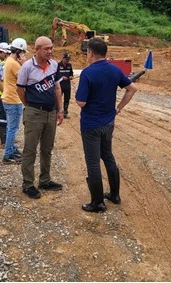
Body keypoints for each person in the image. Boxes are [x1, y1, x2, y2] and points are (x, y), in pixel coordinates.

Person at [75, 38, 138, 212]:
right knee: (108, 156)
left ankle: (97, 202)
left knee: (93, 162)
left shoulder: (87, 73)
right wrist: (119, 108)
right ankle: (115, 195)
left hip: (90, 124)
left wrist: (76, 93)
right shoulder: (114, 69)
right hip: (108, 122)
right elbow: (132, 88)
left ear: (90, 53)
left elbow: (81, 102)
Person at [17, 36, 65, 199]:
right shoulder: (27, 67)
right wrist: (29, 106)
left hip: (51, 113)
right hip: (34, 113)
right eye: (46, 49)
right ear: (37, 49)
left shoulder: (54, 65)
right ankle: (28, 184)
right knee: (30, 149)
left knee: (47, 148)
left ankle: (45, 180)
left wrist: (60, 110)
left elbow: (57, 88)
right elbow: (20, 90)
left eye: (51, 48)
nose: (50, 51)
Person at [1, 38, 29, 164]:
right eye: (22, 52)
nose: (23, 55)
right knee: (13, 128)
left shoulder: (9, 61)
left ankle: (11, 149)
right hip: (13, 99)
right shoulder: (14, 64)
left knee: (11, 127)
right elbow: (26, 78)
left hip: (9, 98)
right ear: (18, 51)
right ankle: (8, 154)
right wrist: (24, 63)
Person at [56, 52, 74, 118]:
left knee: (67, 99)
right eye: (66, 59)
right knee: (58, 99)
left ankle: (65, 113)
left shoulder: (69, 65)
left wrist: (71, 76)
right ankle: (57, 112)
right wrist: (61, 78)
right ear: (63, 58)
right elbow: (55, 76)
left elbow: (71, 73)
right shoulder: (57, 65)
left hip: (67, 86)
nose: (67, 61)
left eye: (68, 59)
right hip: (59, 86)